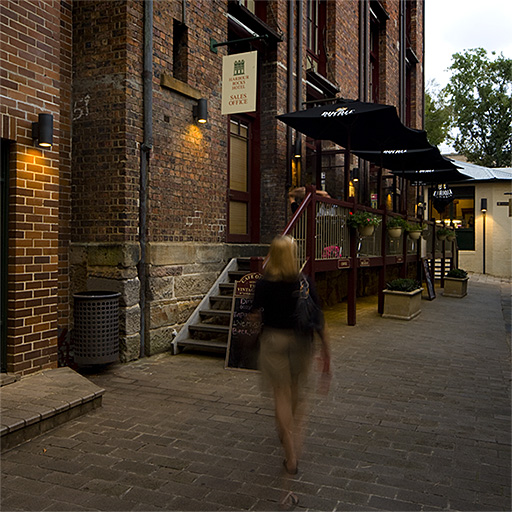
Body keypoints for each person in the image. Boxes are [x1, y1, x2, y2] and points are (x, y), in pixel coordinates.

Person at [251, 236, 330, 492]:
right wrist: (326, 354)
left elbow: (253, 315)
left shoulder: (264, 284)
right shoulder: (304, 282)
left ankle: (290, 455)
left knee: (280, 395)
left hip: (274, 340)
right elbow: (319, 319)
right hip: (301, 341)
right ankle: (292, 434)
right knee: (295, 393)